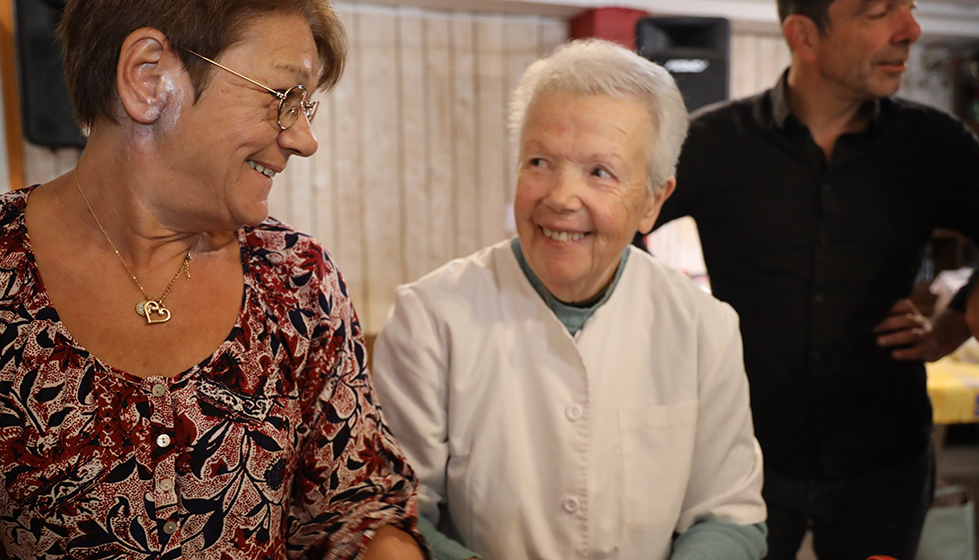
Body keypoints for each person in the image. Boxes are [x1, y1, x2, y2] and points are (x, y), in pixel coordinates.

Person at [0, 0, 427, 558]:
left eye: (307, 106)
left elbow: (353, 508)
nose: (304, 138)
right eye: (283, 98)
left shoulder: (297, 279)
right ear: (148, 78)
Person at [372, 39, 767, 560]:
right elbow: (396, 515)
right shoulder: (431, 317)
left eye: (599, 172)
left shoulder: (702, 327)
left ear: (653, 202)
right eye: (539, 162)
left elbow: (728, 518)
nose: (560, 197)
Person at [649, 0, 979, 558]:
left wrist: (951, 326)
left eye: (907, 8)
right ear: (804, 36)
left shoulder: (934, 145)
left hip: (885, 458)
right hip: (746, 457)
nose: (911, 30)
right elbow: (621, 230)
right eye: (879, 12)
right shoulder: (713, 143)